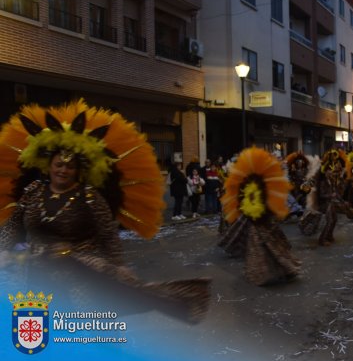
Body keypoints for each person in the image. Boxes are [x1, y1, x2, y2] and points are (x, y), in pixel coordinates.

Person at [0, 101, 210, 322]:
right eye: (58, 164)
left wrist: (118, 268)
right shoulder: (33, 191)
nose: (63, 170)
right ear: (48, 164)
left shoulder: (89, 196)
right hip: (36, 276)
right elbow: (13, 224)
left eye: (70, 166)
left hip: (81, 277)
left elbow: (108, 236)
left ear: (79, 169)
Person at [218, 147, 300, 285]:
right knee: (258, 247)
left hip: (264, 220)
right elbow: (240, 199)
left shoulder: (265, 181)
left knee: (272, 247)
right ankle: (261, 274)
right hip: (254, 221)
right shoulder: (245, 183)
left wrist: (267, 211)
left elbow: (271, 199)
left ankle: (284, 269)